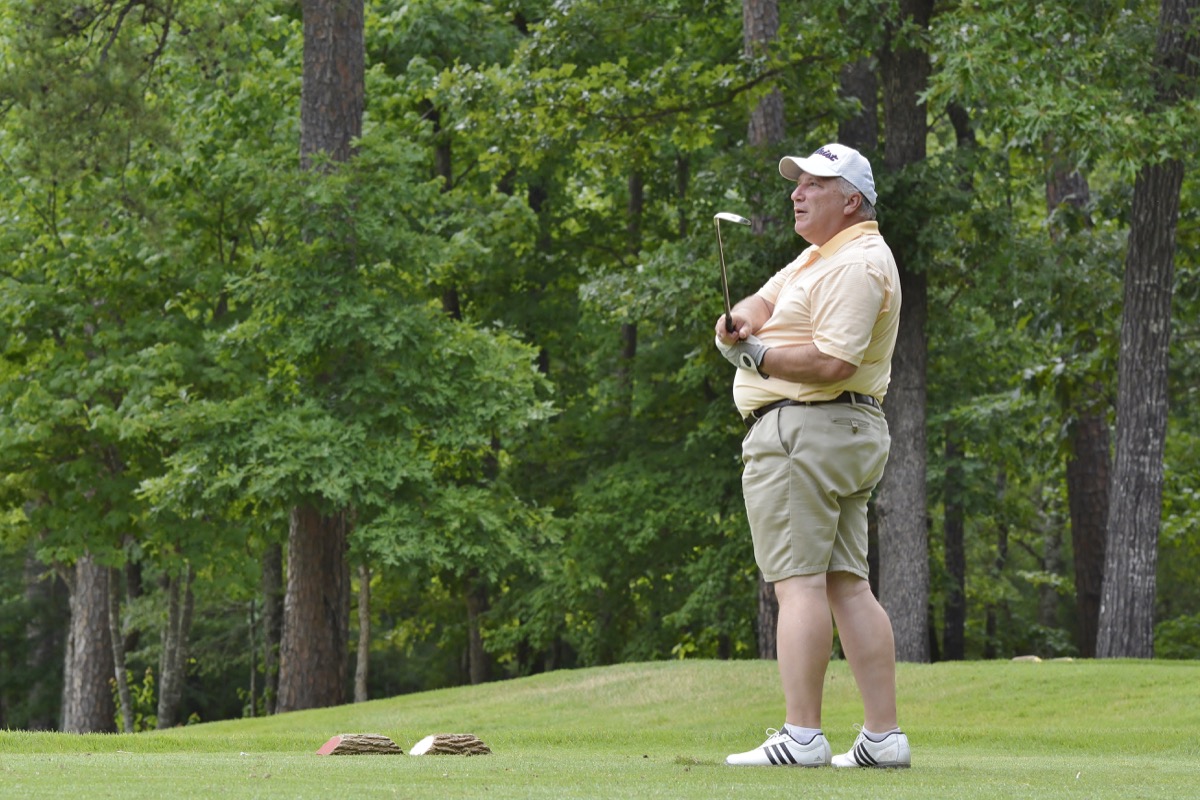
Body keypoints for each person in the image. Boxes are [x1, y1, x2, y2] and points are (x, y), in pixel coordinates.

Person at [714, 143, 909, 769]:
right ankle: (882, 739)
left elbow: (832, 362)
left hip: (806, 432)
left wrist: (755, 356)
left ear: (850, 200)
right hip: (834, 433)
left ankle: (802, 737)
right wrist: (740, 321)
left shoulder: (856, 263)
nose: (797, 193)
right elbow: (761, 302)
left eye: (814, 184)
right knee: (846, 585)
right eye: (796, 183)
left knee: (798, 587)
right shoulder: (818, 258)